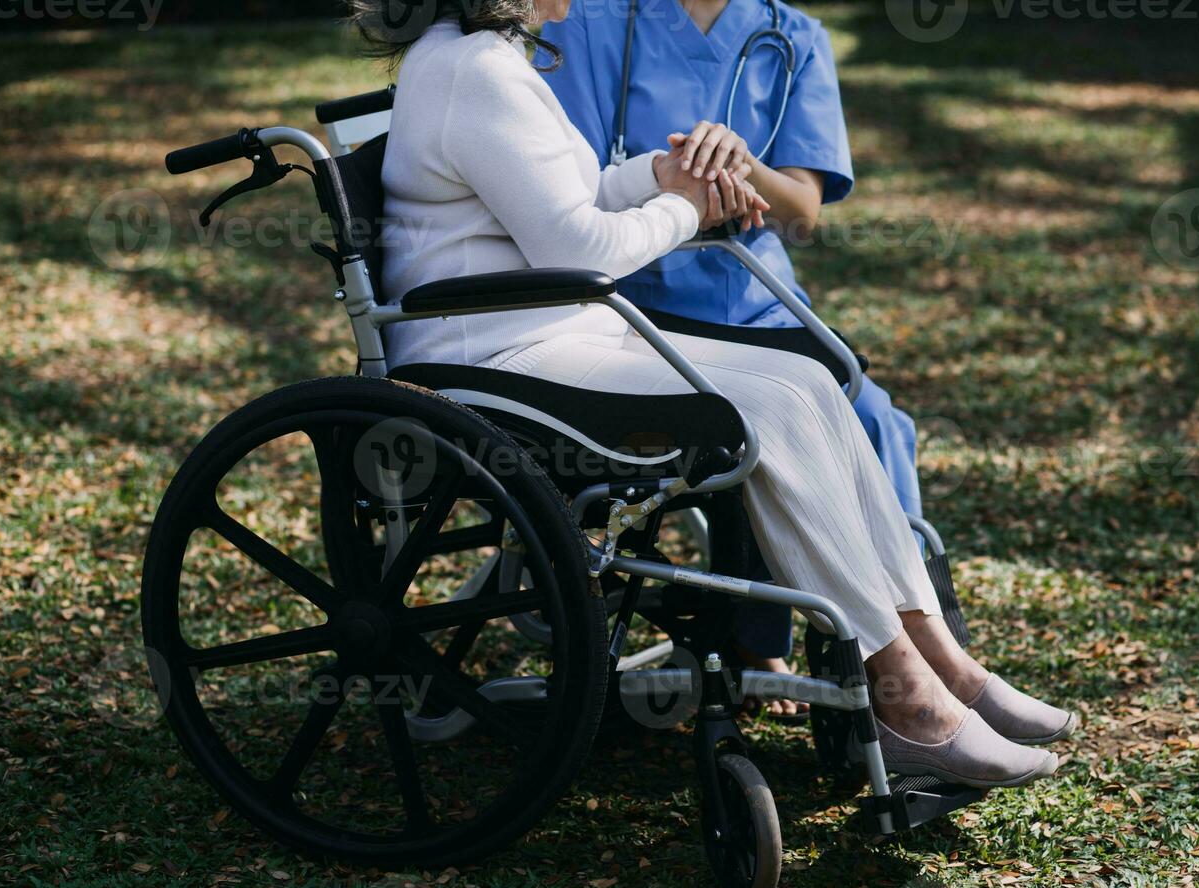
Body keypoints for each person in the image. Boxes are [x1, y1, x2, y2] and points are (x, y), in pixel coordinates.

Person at [351, 0, 1077, 789]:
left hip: (547, 337)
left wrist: (656, 175)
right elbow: (578, 246)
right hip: (498, 358)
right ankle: (906, 702)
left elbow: (575, 191)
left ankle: (946, 667)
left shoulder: (483, 58)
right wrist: (686, 205)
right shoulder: (476, 69)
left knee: (806, 378)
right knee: (761, 410)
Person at [538, 0, 920, 717]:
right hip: (634, 307)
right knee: (755, 417)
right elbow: (572, 183)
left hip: (757, 300)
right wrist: (678, 174)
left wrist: (746, 164)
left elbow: (802, 210)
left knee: (871, 415)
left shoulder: (793, 35)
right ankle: (764, 635)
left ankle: (889, 651)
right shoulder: (586, 20)